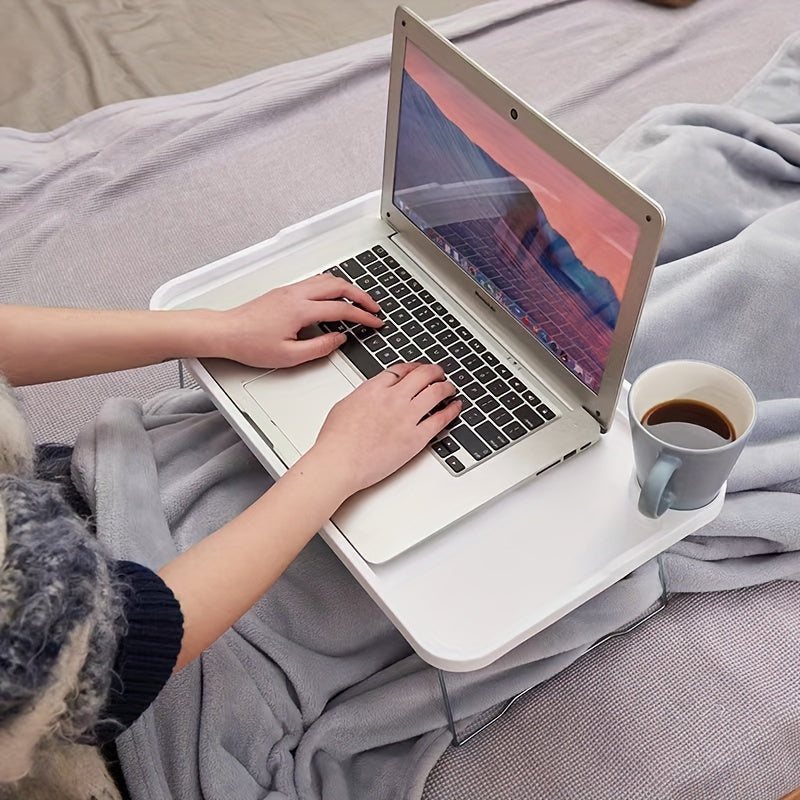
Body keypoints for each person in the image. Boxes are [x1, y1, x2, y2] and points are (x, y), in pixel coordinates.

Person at [0, 273, 460, 795]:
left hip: (50, 516)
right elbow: (114, 648)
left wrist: (220, 328)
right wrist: (341, 462)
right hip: (79, 712)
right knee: (442, 575)